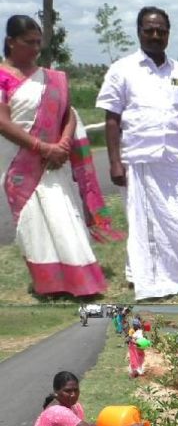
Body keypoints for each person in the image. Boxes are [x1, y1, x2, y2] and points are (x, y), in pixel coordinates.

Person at [0, 15, 120, 297]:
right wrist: (43, 148)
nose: (35, 48)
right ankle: (50, 285)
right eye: (29, 42)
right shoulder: (2, 77)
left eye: (38, 42)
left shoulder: (51, 78)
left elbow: (69, 113)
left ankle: (81, 282)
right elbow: (3, 122)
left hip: (54, 162)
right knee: (33, 223)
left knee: (64, 215)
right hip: (19, 164)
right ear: (10, 42)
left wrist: (63, 144)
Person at [96, 6, 178, 301]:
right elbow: (112, 120)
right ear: (139, 32)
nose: (155, 35)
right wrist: (115, 162)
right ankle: (142, 274)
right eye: (149, 30)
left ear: (168, 34)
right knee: (140, 221)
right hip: (138, 160)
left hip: (176, 161)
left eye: (161, 31)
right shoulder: (122, 69)